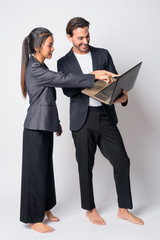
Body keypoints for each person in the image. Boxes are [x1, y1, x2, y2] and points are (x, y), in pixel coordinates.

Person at [20, 27, 115, 233]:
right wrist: (93, 75)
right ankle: (33, 219)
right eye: (49, 45)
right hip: (34, 128)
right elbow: (64, 79)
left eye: (53, 44)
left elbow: (47, 100)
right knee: (35, 174)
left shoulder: (41, 67)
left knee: (45, 170)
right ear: (37, 47)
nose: (53, 48)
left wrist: (57, 123)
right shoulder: (35, 69)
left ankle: (45, 209)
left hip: (44, 126)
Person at [57, 17, 144, 226]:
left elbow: (116, 82)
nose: (84, 41)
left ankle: (123, 209)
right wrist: (93, 75)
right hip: (82, 120)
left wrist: (123, 96)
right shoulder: (63, 62)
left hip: (105, 116)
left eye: (87, 36)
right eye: (79, 38)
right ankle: (90, 209)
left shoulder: (102, 54)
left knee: (122, 160)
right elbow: (68, 90)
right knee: (85, 166)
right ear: (69, 37)